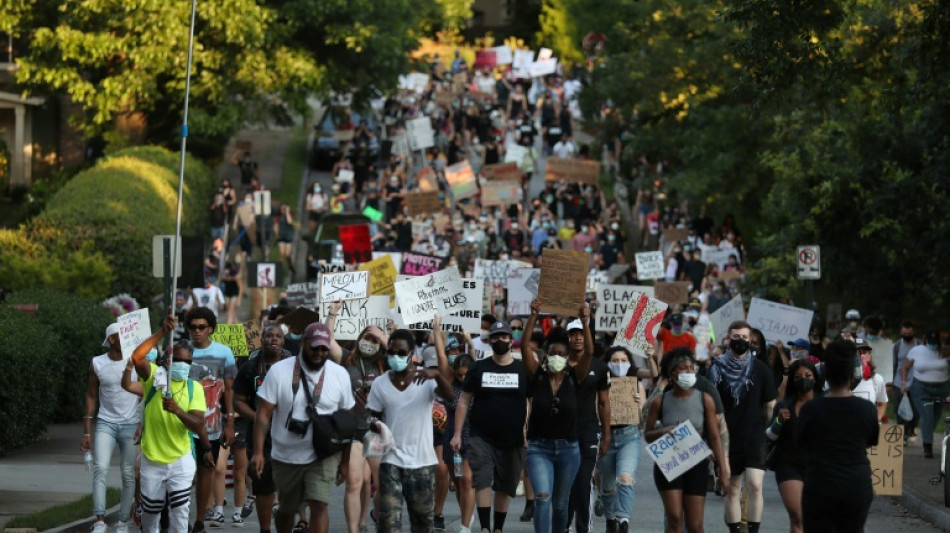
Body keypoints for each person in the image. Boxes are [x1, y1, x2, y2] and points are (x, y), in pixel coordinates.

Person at [251, 322, 356, 533]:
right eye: (314, 348)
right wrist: (258, 453)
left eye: (324, 349)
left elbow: (348, 421)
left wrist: (345, 461)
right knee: (287, 510)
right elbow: (263, 414)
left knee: (319, 505)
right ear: (303, 344)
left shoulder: (339, 374)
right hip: (285, 456)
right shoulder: (279, 371)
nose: (319, 353)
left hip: (323, 454)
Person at [123, 316, 214, 533]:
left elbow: (198, 424)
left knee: (180, 511)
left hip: (180, 460)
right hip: (152, 459)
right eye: (179, 360)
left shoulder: (194, 388)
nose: (183, 365)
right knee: (151, 513)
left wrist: (178, 411)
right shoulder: (154, 378)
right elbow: (137, 356)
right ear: (169, 360)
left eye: (188, 362)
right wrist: (162, 332)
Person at [367, 321, 455, 533]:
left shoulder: (425, 378)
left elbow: (451, 397)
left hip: (421, 463)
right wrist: (375, 426)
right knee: (388, 523)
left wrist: (436, 375)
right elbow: (372, 416)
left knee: (422, 523)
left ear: (411, 353)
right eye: (391, 352)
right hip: (390, 462)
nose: (395, 356)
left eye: (401, 353)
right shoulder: (380, 383)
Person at [451, 319, 529, 533]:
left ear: (510, 340)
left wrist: (527, 429)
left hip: (512, 438)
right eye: (495, 337)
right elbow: (464, 400)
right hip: (481, 436)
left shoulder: (522, 369)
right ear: (490, 341)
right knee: (482, 480)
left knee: (505, 485)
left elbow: (528, 401)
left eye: (504, 336)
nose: (499, 340)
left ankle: (498, 529)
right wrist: (457, 433)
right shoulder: (478, 368)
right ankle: (485, 527)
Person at [521, 301, 592, 533]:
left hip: (568, 450)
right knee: (542, 497)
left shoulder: (575, 377)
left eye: (561, 354)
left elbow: (589, 352)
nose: (556, 357)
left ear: (568, 356)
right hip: (539, 448)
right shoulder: (537, 376)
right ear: (545, 354)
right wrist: (533, 315)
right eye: (552, 353)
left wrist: (585, 322)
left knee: (560, 505)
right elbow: (524, 346)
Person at [795, 339, 879, 532]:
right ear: (853, 374)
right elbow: (871, 440)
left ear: (824, 373)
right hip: (856, 486)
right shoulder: (867, 409)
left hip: (819, 486)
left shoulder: (811, 409)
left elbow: (799, 442)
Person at [645, 349, 730, 533]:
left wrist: (723, 470)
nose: (689, 372)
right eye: (683, 368)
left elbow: (714, 436)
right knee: (675, 519)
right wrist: (664, 431)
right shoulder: (660, 401)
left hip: (696, 463)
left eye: (692, 368)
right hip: (669, 463)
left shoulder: (704, 399)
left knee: (695, 525)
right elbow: (647, 434)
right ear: (672, 372)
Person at [708, 320, 777, 533]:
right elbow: (709, 406)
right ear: (729, 338)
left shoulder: (761, 369)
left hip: (755, 436)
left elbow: (770, 405)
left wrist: (766, 431)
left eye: (745, 337)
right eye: (736, 337)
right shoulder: (716, 369)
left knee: (755, 484)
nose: (740, 341)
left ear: (750, 339)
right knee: (732, 489)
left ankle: (753, 530)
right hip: (727, 438)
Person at [82, 323, 142, 533]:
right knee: (100, 469)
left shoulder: (135, 362)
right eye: (121, 335)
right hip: (106, 423)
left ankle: (123, 521)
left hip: (131, 424)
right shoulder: (97, 363)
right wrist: (87, 431)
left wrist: (141, 424)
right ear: (111, 339)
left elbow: (146, 392)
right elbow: (91, 395)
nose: (126, 337)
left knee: (128, 473)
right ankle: (100, 520)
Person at [234, 323, 292, 533]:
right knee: (263, 483)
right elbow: (237, 401)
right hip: (259, 436)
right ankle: (265, 529)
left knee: (289, 484)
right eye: (269, 335)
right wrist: (259, 418)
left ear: (283, 341)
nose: (273, 339)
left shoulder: (294, 367)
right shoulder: (250, 368)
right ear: (262, 340)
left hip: (288, 433)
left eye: (278, 336)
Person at [184, 307, 238, 531]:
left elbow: (230, 390)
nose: (196, 331)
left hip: (212, 427)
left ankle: (199, 521)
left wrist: (230, 422)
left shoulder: (224, 353)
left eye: (201, 327)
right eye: (192, 327)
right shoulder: (181, 350)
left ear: (211, 329)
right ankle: (180, 519)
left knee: (207, 471)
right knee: (183, 475)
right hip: (182, 425)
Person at [764, 359, 820, 533]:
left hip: (818, 467)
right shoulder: (784, 405)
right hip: (789, 464)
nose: (804, 380)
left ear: (815, 378)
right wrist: (779, 421)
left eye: (808, 376)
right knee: (798, 516)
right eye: (798, 377)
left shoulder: (824, 405)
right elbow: (770, 436)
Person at [563, 315, 608, 533]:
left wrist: (606, 435)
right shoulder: (558, 364)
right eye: (573, 334)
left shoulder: (599, 367)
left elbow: (604, 402)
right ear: (568, 337)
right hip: (562, 432)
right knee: (566, 483)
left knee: (583, 481)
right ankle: (563, 526)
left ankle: (584, 529)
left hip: (588, 431)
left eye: (581, 333)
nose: (578, 338)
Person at [598, 347, 646, 533]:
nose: (619, 364)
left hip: (628, 437)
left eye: (623, 360)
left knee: (625, 478)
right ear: (608, 363)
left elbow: (641, 420)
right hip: (606, 438)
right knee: (608, 487)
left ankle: (623, 520)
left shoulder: (636, 385)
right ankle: (610, 519)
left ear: (629, 363)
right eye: (615, 360)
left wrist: (638, 405)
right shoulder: (600, 385)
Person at [901, 328, 949, 457]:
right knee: (927, 416)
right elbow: (905, 367)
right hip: (921, 388)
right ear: (925, 339)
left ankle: (926, 434)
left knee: (936, 417)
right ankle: (928, 446)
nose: (933, 344)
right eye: (930, 341)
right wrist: (904, 383)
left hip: (942, 388)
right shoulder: (916, 351)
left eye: (935, 342)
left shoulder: (944, 351)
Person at [444, 351, 476, 532]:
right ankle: (466, 513)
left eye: (466, 374)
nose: (463, 378)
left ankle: (465, 526)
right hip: (452, 435)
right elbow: (441, 360)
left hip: (472, 435)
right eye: (459, 375)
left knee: (467, 480)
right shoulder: (450, 386)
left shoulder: (478, 387)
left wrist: (469, 343)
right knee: (457, 481)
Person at [892, 320, 921, 443]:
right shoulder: (896, 346)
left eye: (909, 333)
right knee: (899, 409)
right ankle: (902, 435)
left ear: (914, 332)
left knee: (915, 410)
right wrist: (890, 382)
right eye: (904, 333)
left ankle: (911, 429)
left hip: (916, 382)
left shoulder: (920, 345)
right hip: (899, 382)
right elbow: (893, 364)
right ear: (901, 332)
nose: (907, 336)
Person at [852, 339, 888, 421]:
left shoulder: (876, 379)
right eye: (857, 353)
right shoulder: (842, 379)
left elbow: (882, 403)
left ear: (869, 355)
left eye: (864, 352)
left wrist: (875, 422)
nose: (860, 356)